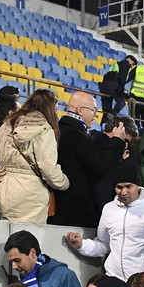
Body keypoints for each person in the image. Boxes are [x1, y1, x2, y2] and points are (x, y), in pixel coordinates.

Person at [65, 160, 144, 283]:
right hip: (114, 281)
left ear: (138, 185)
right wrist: (81, 245)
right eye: (119, 187)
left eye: (129, 186)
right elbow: (104, 245)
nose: (123, 192)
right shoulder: (109, 209)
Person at [0, 88, 69, 223]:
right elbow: (48, 169)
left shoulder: (7, 125)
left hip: (0, 190)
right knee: (26, 241)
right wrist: (64, 182)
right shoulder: (45, 130)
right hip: (31, 198)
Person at [49, 91, 126, 228]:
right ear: (80, 110)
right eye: (93, 110)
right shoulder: (77, 136)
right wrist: (117, 141)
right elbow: (101, 167)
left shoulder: (58, 130)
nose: (96, 115)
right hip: (74, 212)